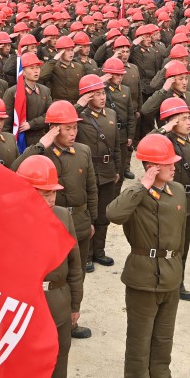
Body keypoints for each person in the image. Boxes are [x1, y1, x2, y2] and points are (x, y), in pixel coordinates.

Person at [106, 134, 187, 378]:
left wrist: (179, 270)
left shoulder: (177, 192)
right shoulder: (136, 195)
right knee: (140, 338)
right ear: (152, 167)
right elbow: (113, 214)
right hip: (143, 275)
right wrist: (142, 185)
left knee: (164, 335)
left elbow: (181, 236)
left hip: (171, 273)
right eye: (168, 163)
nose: (174, 166)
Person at [11, 100, 97, 339]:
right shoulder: (40, 156)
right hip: (51, 222)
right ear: (54, 129)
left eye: (74, 128)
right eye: (66, 128)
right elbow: (14, 170)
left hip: (78, 220)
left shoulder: (83, 151)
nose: (73, 133)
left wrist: (92, 220)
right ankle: (47, 322)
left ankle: (71, 317)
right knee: (52, 275)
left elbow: (91, 188)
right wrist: (41, 143)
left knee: (76, 271)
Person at [16, 155, 84, 378]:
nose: (52, 198)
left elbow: (75, 265)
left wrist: (75, 304)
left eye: (53, 192)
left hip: (58, 302)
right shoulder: (11, 221)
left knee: (58, 365)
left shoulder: (63, 216)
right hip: (26, 306)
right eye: (45, 193)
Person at [74, 74, 121, 270]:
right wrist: (79, 104)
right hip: (89, 171)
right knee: (88, 215)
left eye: (103, 93)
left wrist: (117, 169)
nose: (102, 97)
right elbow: (64, 120)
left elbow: (116, 145)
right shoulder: (80, 117)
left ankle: (99, 251)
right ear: (87, 97)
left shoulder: (110, 114)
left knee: (103, 214)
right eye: (96, 94)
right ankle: (87, 255)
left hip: (108, 170)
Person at [157, 97, 190, 301]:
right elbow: (150, 142)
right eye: (183, 118)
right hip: (170, 200)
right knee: (169, 245)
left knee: (184, 244)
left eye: (188, 117)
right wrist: (166, 128)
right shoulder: (166, 142)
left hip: (189, 201)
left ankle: (179, 282)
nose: (189, 122)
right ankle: (166, 281)